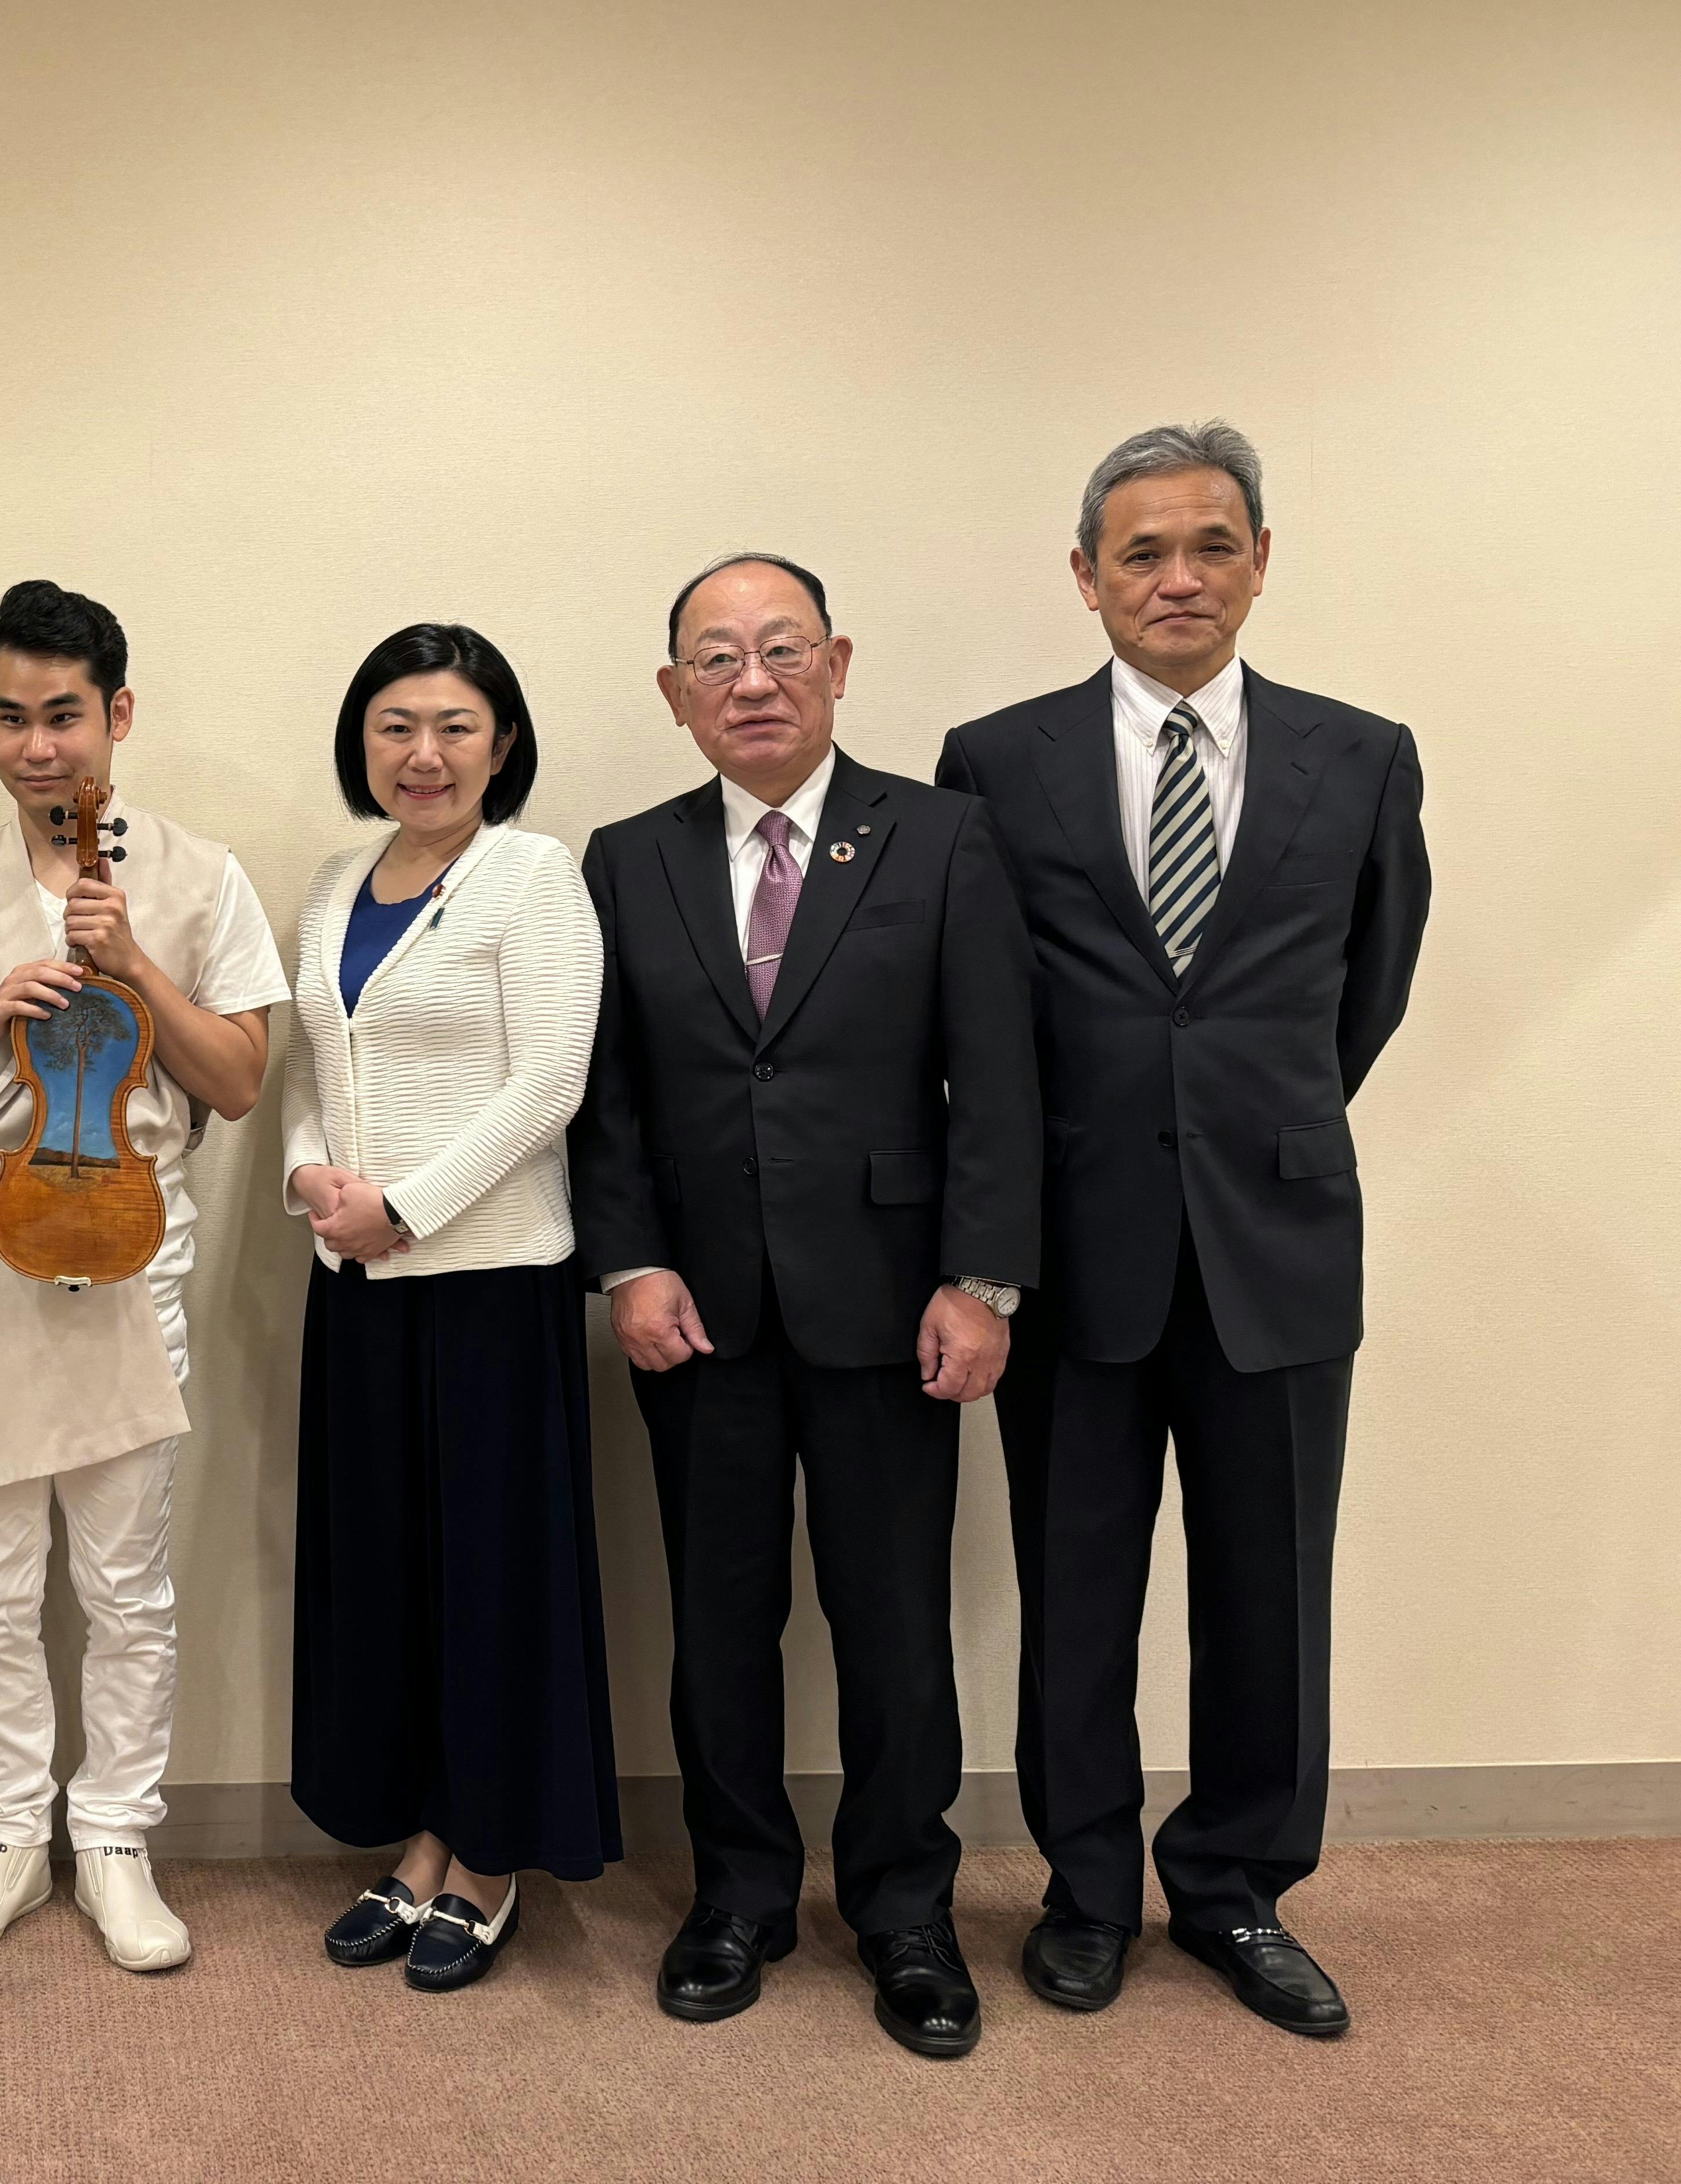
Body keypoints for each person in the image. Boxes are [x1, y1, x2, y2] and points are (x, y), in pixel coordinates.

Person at [937, 423, 1428, 2038]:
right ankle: (1086, 1889)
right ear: (1086, 577)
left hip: (1277, 1247)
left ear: (1261, 562)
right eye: (1141, 552)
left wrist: (1250, 1126)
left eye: (1212, 545)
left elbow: (1366, 996)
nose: (1178, 578)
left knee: (1271, 1594)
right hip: (1078, 1248)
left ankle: (1235, 1887)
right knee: (1078, 1591)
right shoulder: (995, 761)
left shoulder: (1362, 757)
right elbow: (982, 1018)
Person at [573, 554, 1041, 2059]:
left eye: (781, 649)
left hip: (893, 1306)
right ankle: (740, 1896)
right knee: (719, 1623)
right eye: (716, 658)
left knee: (894, 1622)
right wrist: (630, 1262)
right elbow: (607, 1094)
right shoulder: (626, 859)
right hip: (695, 1311)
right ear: (676, 694)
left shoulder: (944, 836)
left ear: (837, 665)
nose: (752, 680)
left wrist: (981, 1281)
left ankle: (907, 1909)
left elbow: (999, 1079)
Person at [0, 582, 287, 1973]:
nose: (37, 747)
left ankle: (116, 1836)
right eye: (10, 718)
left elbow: (240, 1081)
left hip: (132, 1254)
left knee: (126, 1579)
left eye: (64, 715)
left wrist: (134, 966)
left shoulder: (200, 876)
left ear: (117, 714)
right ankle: (6, 1836)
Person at [281, 622, 617, 1993]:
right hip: (356, 1288)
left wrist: (407, 1207)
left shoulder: (534, 877)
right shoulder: (335, 881)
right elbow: (315, 1055)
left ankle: (489, 1859)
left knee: (491, 1580)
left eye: (455, 728)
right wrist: (307, 1171)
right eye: (396, 726)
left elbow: (551, 1084)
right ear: (362, 742)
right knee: (390, 1576)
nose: (423, 755)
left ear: (503, 745)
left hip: (490, 1288)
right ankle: (421, 1838)